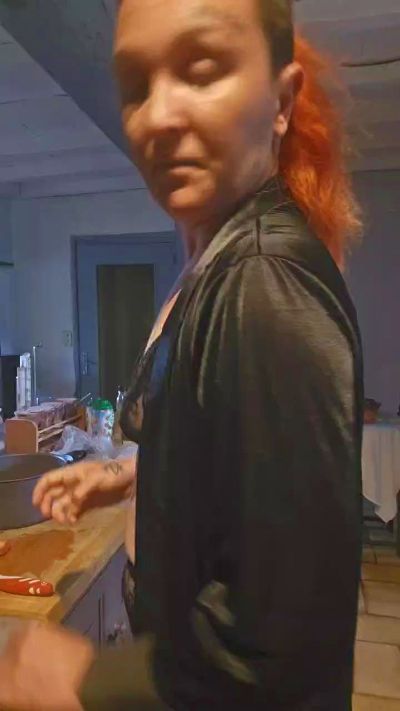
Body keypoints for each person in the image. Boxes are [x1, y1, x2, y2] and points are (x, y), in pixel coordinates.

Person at [0, 0, 364, 709]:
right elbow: (238, 464)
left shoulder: (264, 282)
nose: (157, 116)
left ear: (282, 101)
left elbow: (281, 646)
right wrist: (130, 474)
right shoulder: (219, 264)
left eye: (201, 68)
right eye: (136, 85)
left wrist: (83, 680)